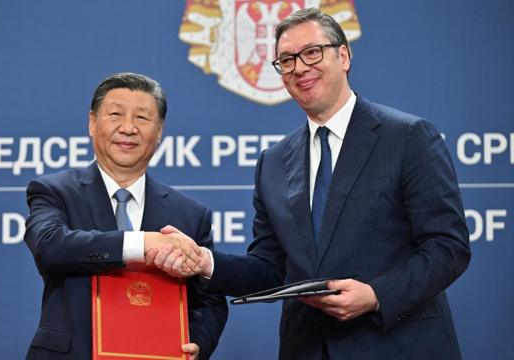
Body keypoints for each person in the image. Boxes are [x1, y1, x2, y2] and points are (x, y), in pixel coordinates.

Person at [154, 8, 471, 360]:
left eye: (312, 52)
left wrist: (376, 294)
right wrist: (205, 262)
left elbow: (447, 246)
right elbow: (270, 268)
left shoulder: (408, 136)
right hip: (306, 348)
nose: (300, 67)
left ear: (344, 56)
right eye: (286, 60)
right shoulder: (272, 163)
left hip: (397, 344)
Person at [24, 72, 227, 360]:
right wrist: (142, 243)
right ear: (92, 123)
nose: (128, 128)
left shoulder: (190, 214)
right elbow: (50, 247)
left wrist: (197, 342)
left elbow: (209, 299)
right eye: (116, 114)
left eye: (142, 118)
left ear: (159, 131)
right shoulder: (54, 191)